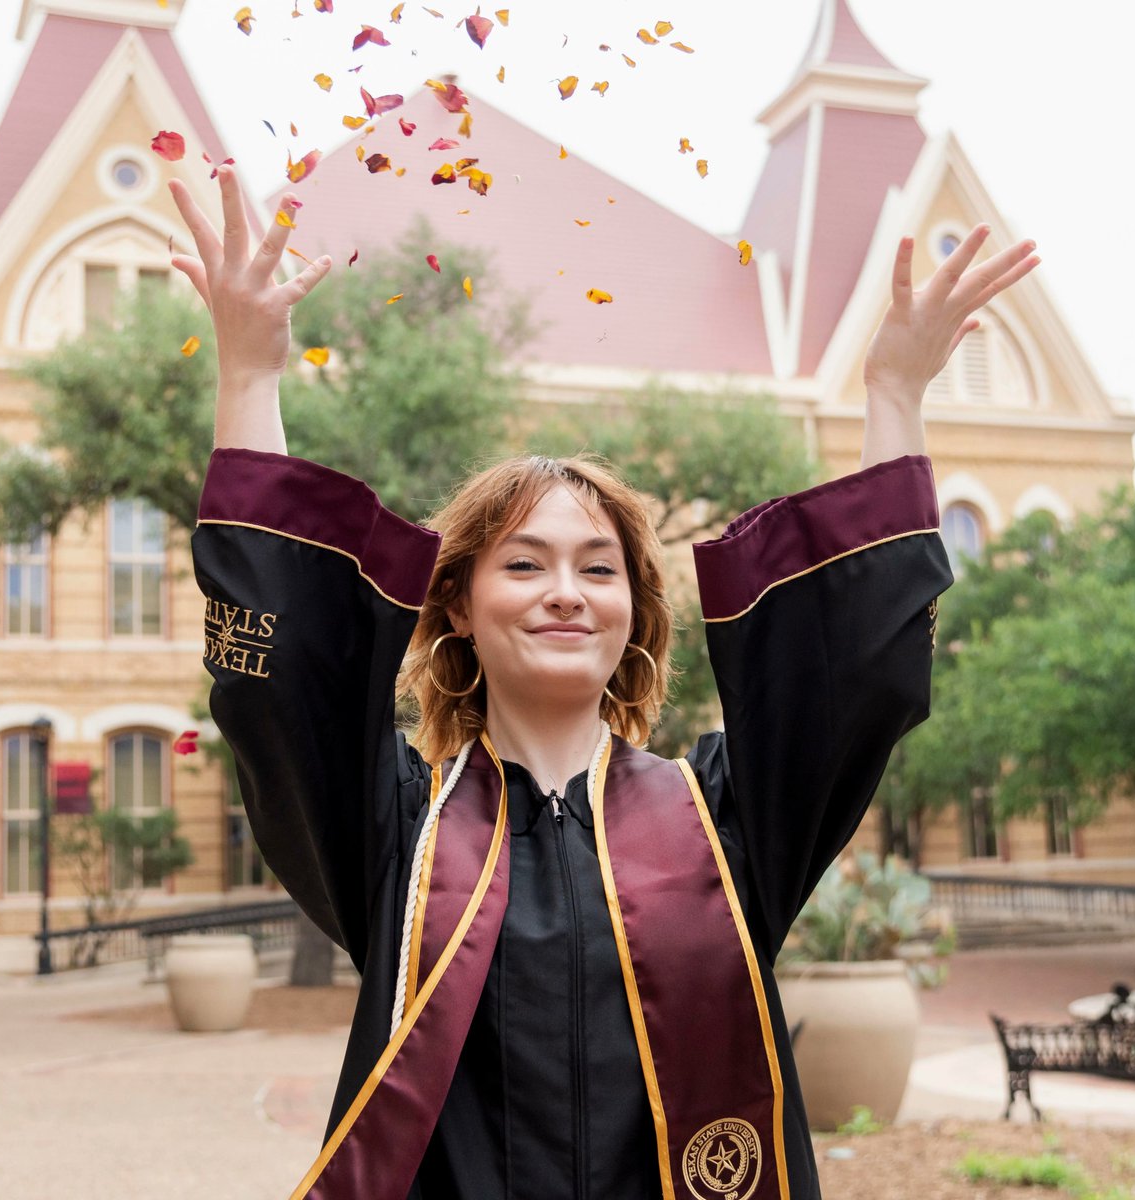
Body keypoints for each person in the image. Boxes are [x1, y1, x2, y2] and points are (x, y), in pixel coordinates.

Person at [171, 166, 1038, 1200]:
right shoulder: (396, 831)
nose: (566, 594)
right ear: (457, 607)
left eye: (598, 567)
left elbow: (851, 677)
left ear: (633, 611)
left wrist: (895, 393)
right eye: (524, 564)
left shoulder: (723, 822)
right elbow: (284, 686)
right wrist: (249, 373)